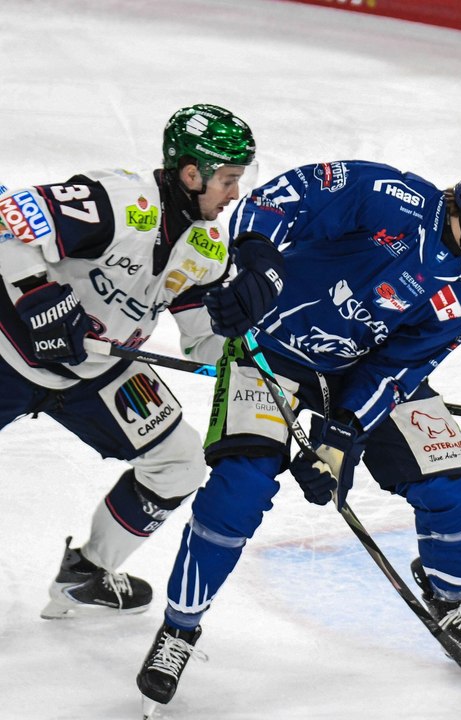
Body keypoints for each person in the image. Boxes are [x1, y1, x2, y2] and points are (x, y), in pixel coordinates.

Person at [135, 153, 461, 711]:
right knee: (240, 489)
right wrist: (258, 267)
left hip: (358, 373)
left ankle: (450, 602)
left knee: (451, 487)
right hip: (272, 350)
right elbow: (274, 200)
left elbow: (398, 370)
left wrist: (342, 436)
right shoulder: (390, 197)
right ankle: (179, 628)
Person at [0, 104, 256, 618]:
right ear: (192, 174)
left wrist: (246, 337)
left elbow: (201, 342)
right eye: (228, 180)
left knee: (179, 464)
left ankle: (87, 573)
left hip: (100, 371)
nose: (234, 194)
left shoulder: (207, 247)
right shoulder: (118, 201)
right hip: (9, 353)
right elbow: (7, 219)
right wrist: (38, 296)